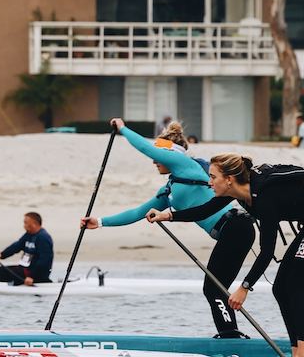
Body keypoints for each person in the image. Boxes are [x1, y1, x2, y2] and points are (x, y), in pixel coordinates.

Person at [147, 154, 304, 357]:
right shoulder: (242, 193)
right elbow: (204, 211)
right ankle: (297, 351)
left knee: (295, 285)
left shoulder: (265, 198)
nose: (209, 182)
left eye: (213, 177)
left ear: (229, 179)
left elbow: (267, 252)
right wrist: (168, 216)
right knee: (280, 288)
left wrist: (244, 287)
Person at [81, 118, 256, 338]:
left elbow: (146, 148)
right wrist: (100, 222)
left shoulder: (187, 165)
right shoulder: (171, 187)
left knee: (213, 288)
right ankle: (232, 335)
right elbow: (138, 213)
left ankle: (230, 335)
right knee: (216, 289)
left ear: (171, 154)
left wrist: (123, 129)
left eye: (158, 157)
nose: (155, 162)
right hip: (231, 232)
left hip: (236, 226)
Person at [0, 212, 54, 286]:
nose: (24, 226)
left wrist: (32, 277)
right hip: (25, 271)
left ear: (34, 224)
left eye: (26, 223)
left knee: (1, 271)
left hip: (36, 275)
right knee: (1, 270)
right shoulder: (29, 235)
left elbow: (44, 261)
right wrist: (0, 255)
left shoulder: (43, 238)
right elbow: (16, 247)